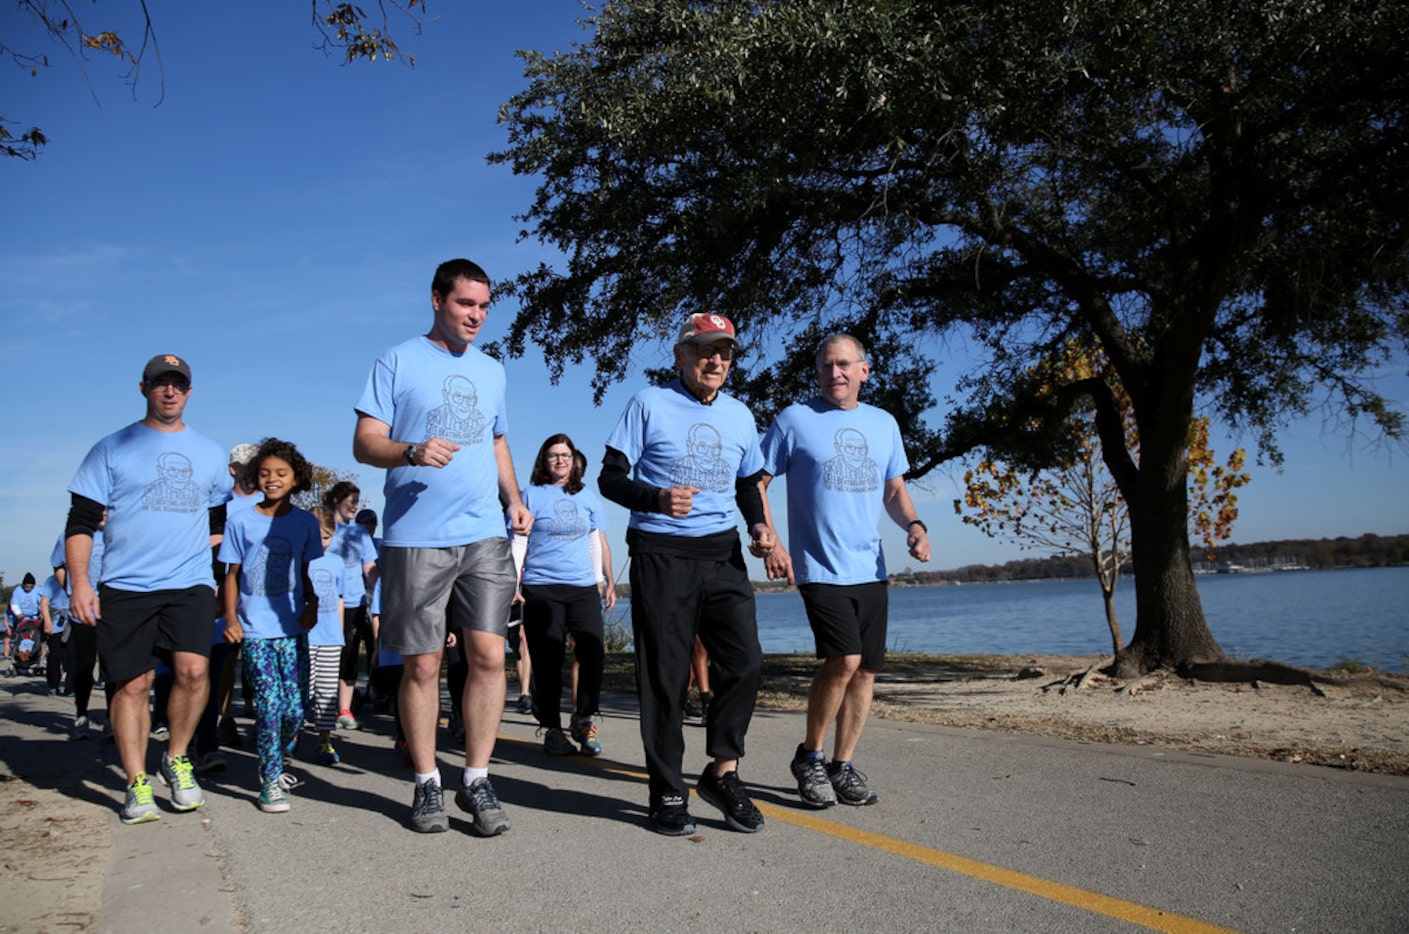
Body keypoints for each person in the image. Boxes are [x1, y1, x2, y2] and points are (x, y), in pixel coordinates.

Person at [353, 257, 531, 835]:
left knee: (488, 657)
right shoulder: (398, 360)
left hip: (483, 535)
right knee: (424, 665)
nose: (476, 315)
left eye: (483, 307)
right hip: (416, 537)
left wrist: (514, 498)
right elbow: (364, 443)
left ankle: (476, 780)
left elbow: (497, 440)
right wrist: (410, 451)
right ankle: (427, 783)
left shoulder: (493, 371)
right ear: (437, 300)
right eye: (465, 304)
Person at [599, 312, 777, 836]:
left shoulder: (742, 415)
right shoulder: (649, 403)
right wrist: (656, 498)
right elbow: (611, 478)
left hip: (722, 553)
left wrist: (760, 525)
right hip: (661, 552)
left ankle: (723, 772)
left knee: (744, 662)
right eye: (704, 350)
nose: (715, 360)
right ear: (680, 355)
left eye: (724, 351)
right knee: (666, 675)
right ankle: (667, 788)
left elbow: (748, 483)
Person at [759, 334, 932, 808]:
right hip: (818, 565)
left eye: (843, 365)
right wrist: (770, 538)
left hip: (869, 566)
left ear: (864, 371)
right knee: (845, 659)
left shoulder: (884, 424)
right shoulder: (795, 419)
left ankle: (842, 765)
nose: (834, 373)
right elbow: (756, 479)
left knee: (866, 672)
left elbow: (894, 491)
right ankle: (809, 757)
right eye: (825, 366)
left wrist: (914, 526)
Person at [65, 353, 233, 824]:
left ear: (189, 392)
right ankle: (136, 781)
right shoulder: (112, 448)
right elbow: (80, 522)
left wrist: (217, 577)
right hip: (126, 584)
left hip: (189, 583)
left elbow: (217, 519)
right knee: (133, 683)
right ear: (144, 389)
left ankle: (177, 757)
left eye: (178, 384)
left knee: (196, 673)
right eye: (161, 383)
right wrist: (80, 582)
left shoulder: (210, 453)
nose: (170, 391)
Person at [219, 438, 323, 813]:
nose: (272, 479)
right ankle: (269, 779)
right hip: (255, 630)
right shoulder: (240, 521)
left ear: (296, 479)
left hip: (293, 627)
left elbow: (311, 570)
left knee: (296, 709)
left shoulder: (305, 523)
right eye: (264, 474)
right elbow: (230, 575)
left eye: (281, 473)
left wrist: (313, 604)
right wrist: (230, 618)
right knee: (269, 704)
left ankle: (275, 755)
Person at [518, 434, 615, 757]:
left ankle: (584, 719)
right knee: (548, 656)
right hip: (541, 585)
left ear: (574, 461)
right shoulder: (530, 496)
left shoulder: (587, 497)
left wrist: (602, 580)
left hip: (582, 586)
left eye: (565, 455)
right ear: (543, 462)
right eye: (553, 456)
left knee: (592, 651)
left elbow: (593, 540)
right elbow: (518, 542)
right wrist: (512, 584)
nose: (560, 460)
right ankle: (552, 728)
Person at [325, 481, 378, 730]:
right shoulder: (324, 528)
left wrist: (383, 586)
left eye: (358, 501)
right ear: (337, 499)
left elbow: (370, 568)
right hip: (326, 602)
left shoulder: (359, 533)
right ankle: (319, 704)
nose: (356, 506)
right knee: (325, 654)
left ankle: (343, 709)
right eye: (352, 501)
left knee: (350, 654)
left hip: (355, 600)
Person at [306, 506, 348, 765]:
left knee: (327, 691)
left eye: (327, 536)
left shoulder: (336, 562)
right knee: (304, 689)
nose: (323, 542)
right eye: (318, 536)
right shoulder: (299, 559)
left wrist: (340, 634)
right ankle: (293, 734)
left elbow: (340, 599)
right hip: (307, 635)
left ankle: (324, 740)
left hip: (331, 637)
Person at [37, 573, 70, 695]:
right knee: (55, 656)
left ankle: (70, 687)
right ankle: (53, 685)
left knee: (72, 656)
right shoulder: (51, 580)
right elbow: (44, 603)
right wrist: (47, 622)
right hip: (56, 623)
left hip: (72, 622)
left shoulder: (78, 577)